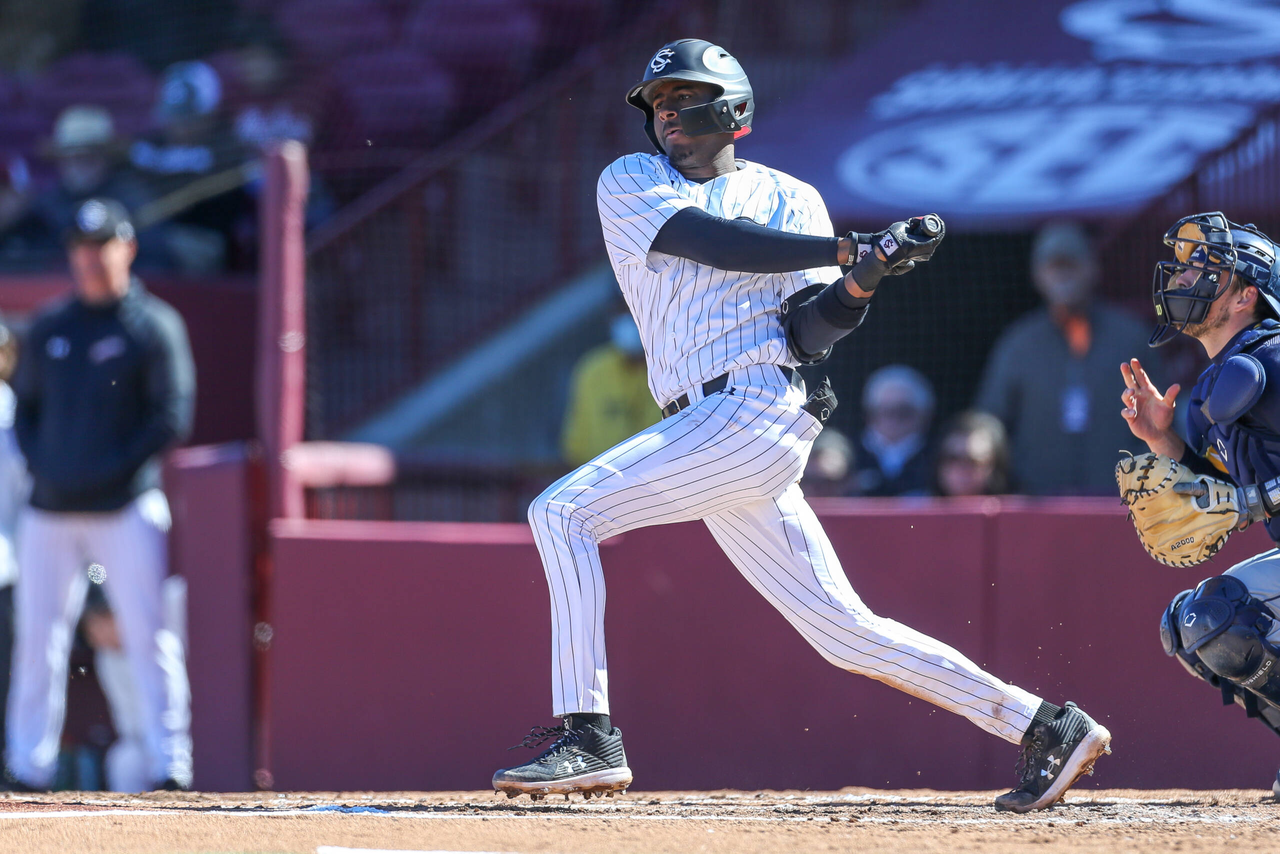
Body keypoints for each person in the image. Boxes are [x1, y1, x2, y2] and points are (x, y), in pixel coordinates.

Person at [491, 39, 1111, 813]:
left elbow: (810, 330)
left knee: (562, 511)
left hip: (755, 407)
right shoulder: (631, 179)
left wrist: (866, 277)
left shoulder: (792, 197)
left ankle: (588, 735)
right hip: (707, 426)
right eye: (657, 102)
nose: (668, 113)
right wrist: (853, 247)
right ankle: (1046, 725)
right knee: (843, 632)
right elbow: (708, 241)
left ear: (733, 108)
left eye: (684, 96)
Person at [5, 198, 194, 792]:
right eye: (80, 250)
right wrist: (52, 469)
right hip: (51, 510)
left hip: (125, 506)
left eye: (101, 247)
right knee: (39, 639)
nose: (89, 261)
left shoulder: (152, 325)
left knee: (147, 633)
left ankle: (172, 765)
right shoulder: (53, 327)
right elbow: (26, 415)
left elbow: (171, 415)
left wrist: (109, 474)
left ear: (128, 248)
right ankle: (26, 766)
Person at [1120, 212, 1280, 795]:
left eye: (1204, 268)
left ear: (1246, 296)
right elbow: (1220, 496)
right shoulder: (1215, 388)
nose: (1184, 277)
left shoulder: (1273, 358)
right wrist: (1163, 442)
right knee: (1189, 624)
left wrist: (1259, 500)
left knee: (1215, 614)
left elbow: (1249, 501)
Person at [975, 221, 1160, 495]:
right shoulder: (1018, 343)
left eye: (1071, 265)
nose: (1062, 275)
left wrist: (1141, 480)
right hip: (1038, 502)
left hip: (1120, 502)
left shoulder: (1130, 337)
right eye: (1053, 267)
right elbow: (991, 424)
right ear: (1037, 274)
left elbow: (1162, 416)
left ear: (1093, 269)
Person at [560, 311, 660, 468]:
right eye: (623, 311)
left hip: (656, 474)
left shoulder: (666, 368)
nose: (630, 319)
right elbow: (576, 443)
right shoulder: (593, 369)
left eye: (634, 310)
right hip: (599, 478)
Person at [854, 364, 934, 496]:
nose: (893, 420)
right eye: (885, 411)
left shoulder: (938, 458)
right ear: (869, 413)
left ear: (923, 415)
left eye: (903, 412)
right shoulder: (848, 456)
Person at [934, 411, 1010, 497]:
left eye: (973, 461)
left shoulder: (1018, 509)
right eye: (953, 459)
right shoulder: (918, 506)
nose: (962, 469)